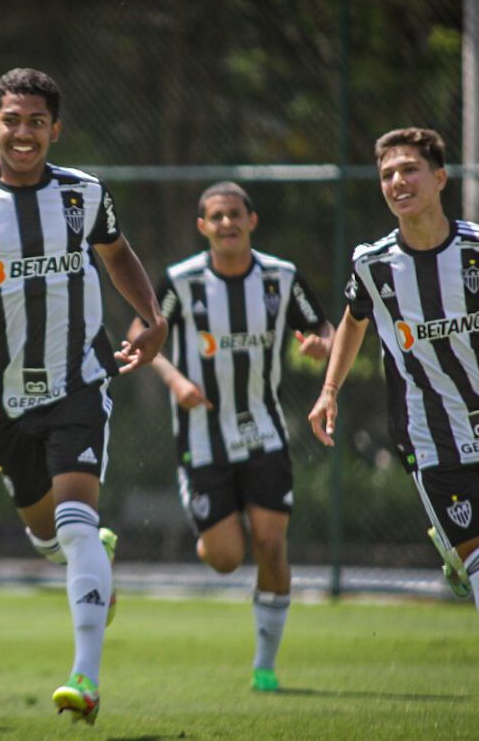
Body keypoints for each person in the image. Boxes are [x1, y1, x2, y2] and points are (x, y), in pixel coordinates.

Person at [0, 67, 167, 725]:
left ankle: (85, 676)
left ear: (55, 129)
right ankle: (87, 553)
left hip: (79, 376)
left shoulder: (83, 195)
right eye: (12, 121)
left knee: (76, 519)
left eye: (36, 122)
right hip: (3, 396)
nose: (24, 133)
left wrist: (152, 314)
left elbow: (118, 255)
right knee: (47, 534)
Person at [307, 127, 479, 740]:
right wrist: (329, 391)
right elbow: (354, 322)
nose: (397, 183)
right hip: (430, 441)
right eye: (386, 175)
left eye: (409, 170)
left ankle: (464, 558)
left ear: (440, 178)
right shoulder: (371, 263)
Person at [127, 182, 332, 692]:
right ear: (203, 227)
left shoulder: (281, 278)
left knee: (271, 545)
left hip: (264, 432)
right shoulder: (180, 280)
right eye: (216, 217)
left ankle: (265, 665)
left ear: (251, 220)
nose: (226, 224)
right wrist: (176, 380)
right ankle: (214, 538)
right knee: (225, 558)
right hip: (202, 436)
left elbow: (326, 330)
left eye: (234, 215)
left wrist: (320, 346)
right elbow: (139, 336)